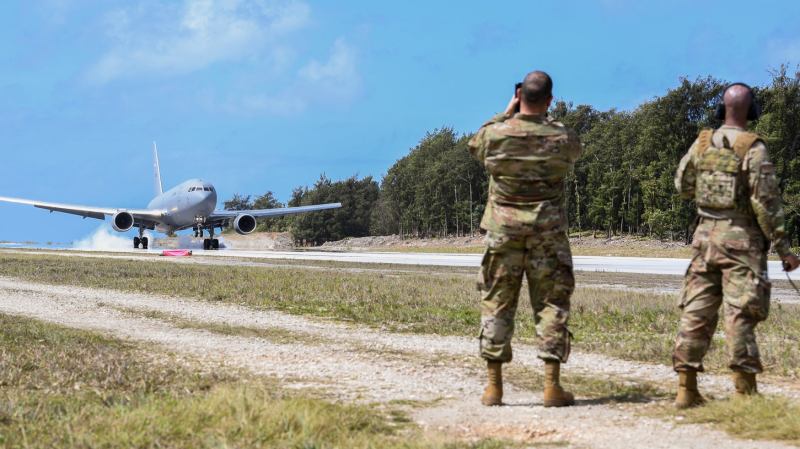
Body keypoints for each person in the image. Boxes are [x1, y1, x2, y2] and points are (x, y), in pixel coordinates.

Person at [672, 83, 800, 409]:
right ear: (752, 110)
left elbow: (682, 184)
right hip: (741, 242)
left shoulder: (702, 144)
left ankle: (686, 388)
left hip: (704, 239)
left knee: (696, 310)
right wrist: (784, 248)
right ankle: (745, 392)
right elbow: (766, 204)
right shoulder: (753, 149)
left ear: (721, 108)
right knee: (740, 313)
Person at [467, 71, 582, 407]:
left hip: (504, 233)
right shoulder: (561, 137)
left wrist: (507, 112)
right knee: (551, 304)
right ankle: (551, 386)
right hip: (547, 233)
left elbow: (476, 144)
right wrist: (545, 118)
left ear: (520, 97)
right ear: (549, 99)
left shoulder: (497, 134)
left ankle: (494, 387)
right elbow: (573, 149)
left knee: (497, 304)